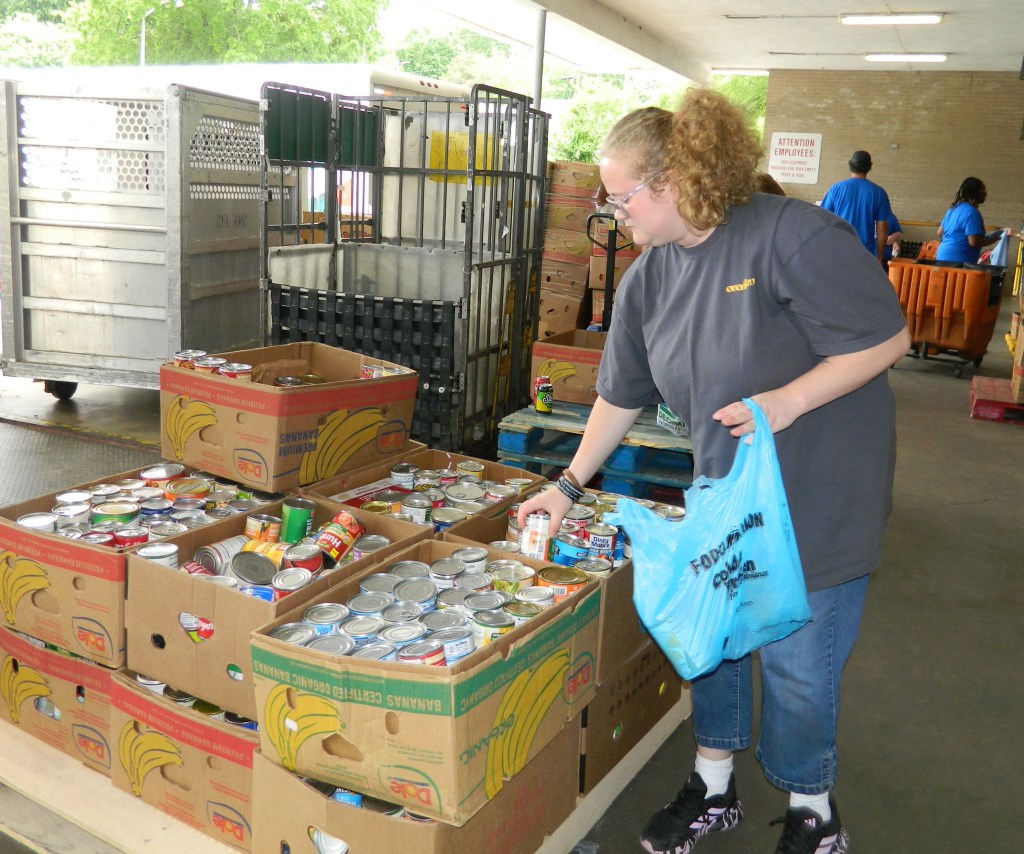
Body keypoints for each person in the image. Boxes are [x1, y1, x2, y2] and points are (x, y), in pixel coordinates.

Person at [517, 89, 909, 854]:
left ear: (671, 182)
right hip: (726, 494)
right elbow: (619, 395)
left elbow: (885, 338)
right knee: (716, 639)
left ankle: (813, 810)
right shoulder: (648, 279)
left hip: (819, 495)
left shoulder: (790, 236)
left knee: (797, 666)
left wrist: (788, 401)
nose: (614, 214)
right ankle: (714, 785)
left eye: (622, 197)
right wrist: (565, 487)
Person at [820, 150, 893, 263]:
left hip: (838, 250)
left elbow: (823, 219)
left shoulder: (836, 189)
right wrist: (879, 257)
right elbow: (882, 229)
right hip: (864, 253)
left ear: (850, 165)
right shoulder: (879, 193)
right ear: (869, 167)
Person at [935, 177, 1004, 264]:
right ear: (974, 192)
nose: (986, 193)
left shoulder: (952, 209)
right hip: (959, 259)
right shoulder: (972, 212)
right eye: (983, 190)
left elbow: (940, 232)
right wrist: (992, 239)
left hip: (942, 255)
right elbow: (973, 242)